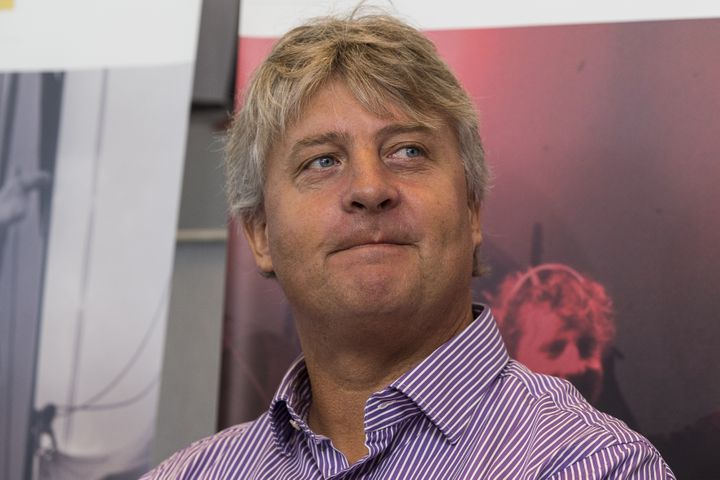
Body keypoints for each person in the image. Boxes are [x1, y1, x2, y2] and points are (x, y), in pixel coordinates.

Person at [143, 13, 674, 479]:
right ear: (259, 234)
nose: (370, 189)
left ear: (471, 211)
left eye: (407, 151)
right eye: (322, 160)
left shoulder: (590, 466)